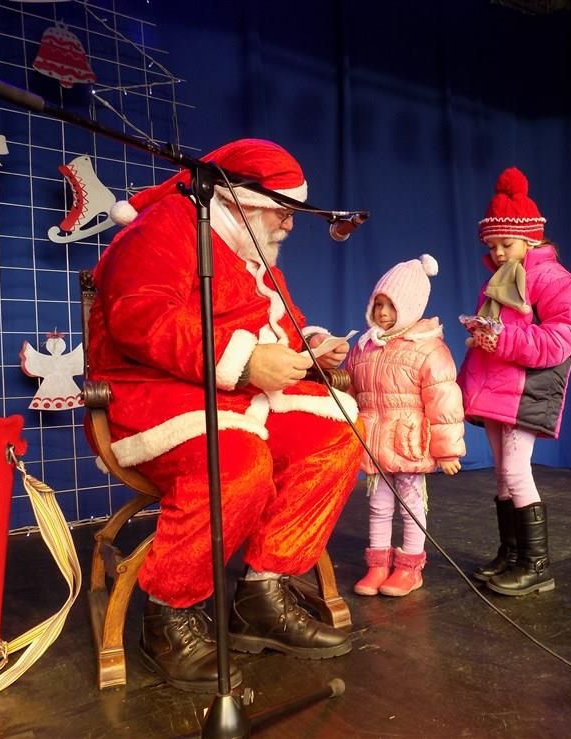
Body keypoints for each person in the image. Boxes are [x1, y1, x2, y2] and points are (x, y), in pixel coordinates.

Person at [88, 139, 363, 692]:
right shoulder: (159, 231)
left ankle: (262, 593)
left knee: (337, 434)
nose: (289, 224)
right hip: (156, 398)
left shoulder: (250, 249)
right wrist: (243, 361)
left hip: (237, 395)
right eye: (282, 211)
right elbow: (141, 320)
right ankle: (169, 616)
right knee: (234, 462)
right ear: (242, 201)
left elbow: (281, 326)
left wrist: (310, 348)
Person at [457, 167, 571, 597]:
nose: (497, 252)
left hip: (525, 390)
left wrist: (502, 339)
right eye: (491, 245)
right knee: (502, 475)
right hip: (496, 391)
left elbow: (564, 336)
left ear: (530, 239)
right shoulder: (497, 281)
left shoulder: (552, 279)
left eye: (505, 244)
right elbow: (494, 340)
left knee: (515, 471)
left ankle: (536, 566)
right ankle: (511, 554)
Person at [345, 254, 466, 597]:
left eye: (391, 305)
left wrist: (447, 450)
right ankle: (378, 565)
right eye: (378, 304)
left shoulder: (428, 348)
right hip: (374, 440)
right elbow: (351, 390)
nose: (383, 312)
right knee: (378, 505)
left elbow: (444, 401)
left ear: (410, 306)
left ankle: (410, 568)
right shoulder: (364, 347)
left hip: (408, 442)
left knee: (411, 504)